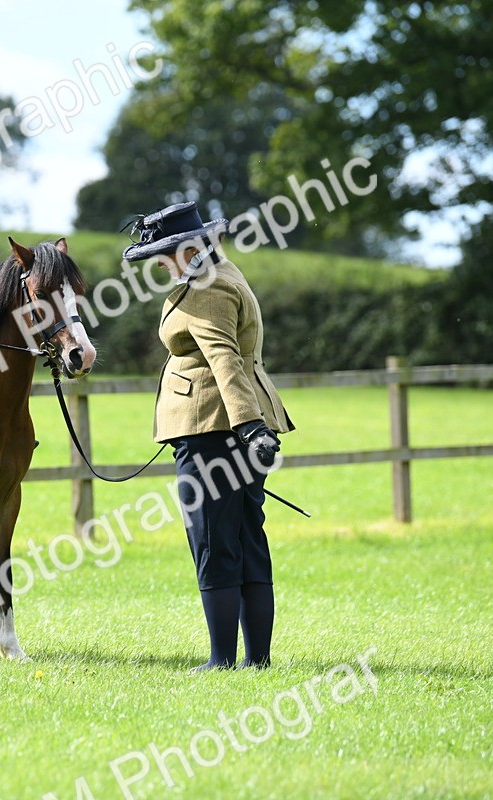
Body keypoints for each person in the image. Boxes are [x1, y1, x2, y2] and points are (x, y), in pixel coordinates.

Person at [123, 201, 294, 670]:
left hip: (213, 428)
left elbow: (224, 358)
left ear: (188, 247)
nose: (159, 262)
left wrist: (248, 426)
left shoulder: (205, 288)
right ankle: (255, 660)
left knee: (215, 542)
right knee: (245, 538)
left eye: (164, 253)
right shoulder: (225, 271)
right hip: (229, 427)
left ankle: (223, 659)